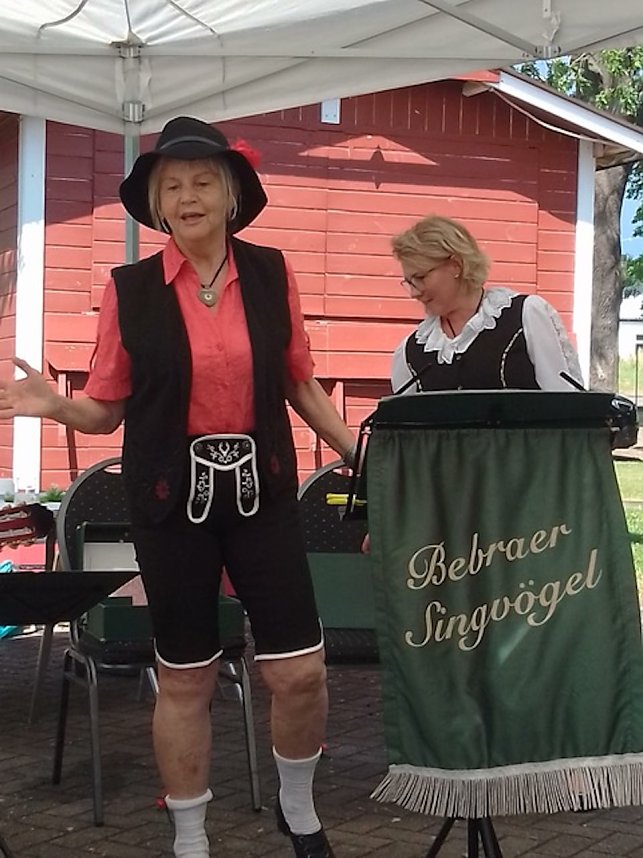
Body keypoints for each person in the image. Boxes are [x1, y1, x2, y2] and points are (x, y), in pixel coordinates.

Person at [0, 116, 356, 858]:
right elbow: (105, 411)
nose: (187, 197)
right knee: (188, 676)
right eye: (171, 187)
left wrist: (364, 455)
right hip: (170, 504)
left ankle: (298, 811)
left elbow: (300, 384)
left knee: (299, 672)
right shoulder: (129, 290)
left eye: (201, 182)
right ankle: (190, 838)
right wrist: (55, 405)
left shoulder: (272, 274)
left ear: (231, 196)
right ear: (157, 207)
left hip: (263, 495)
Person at [390, 214, 583, 395]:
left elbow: (566, 403)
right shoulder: (410, 352)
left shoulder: (525, 317)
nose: (414, 292)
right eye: (409, 282)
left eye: (421, 277)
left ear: (456, 265)